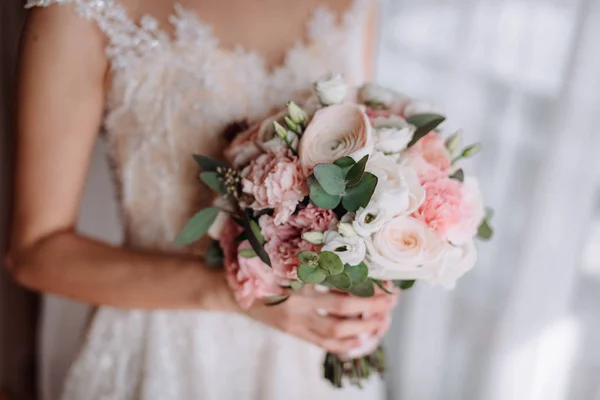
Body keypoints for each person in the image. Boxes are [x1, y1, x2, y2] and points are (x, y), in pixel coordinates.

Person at [6, 0, 397, 398]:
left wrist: (376, 258)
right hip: (165, 353)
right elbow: (36, 252)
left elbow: (358, 165)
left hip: (311, 358)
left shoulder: (355, 6)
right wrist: (240, 295)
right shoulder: (80, 11)